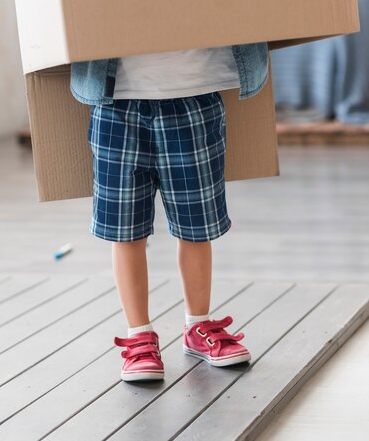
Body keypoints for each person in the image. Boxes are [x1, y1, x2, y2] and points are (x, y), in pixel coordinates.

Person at [70, 42, 269, 382]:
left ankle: (198, 325)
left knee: (197, 226)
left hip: (196, 93)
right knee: (125, 230)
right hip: (117, 98)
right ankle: (139, 336)